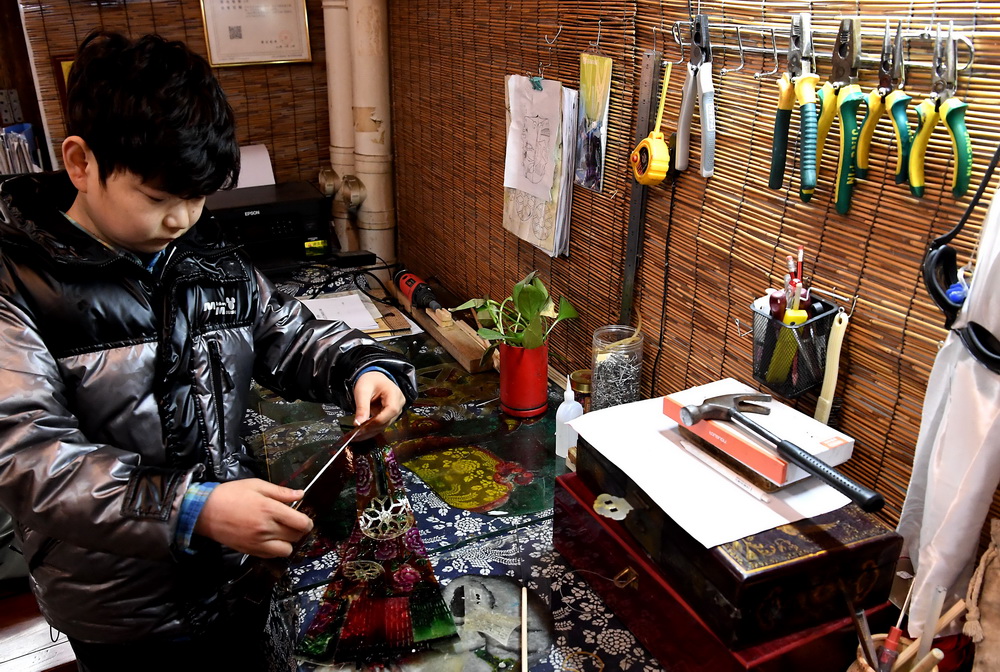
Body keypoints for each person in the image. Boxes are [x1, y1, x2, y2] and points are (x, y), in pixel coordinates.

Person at [0, 31, 417, 671]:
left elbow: (285, 331)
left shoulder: (205, 255)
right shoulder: (19, 284)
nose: (184, 218)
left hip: (237, 566)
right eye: (160, 199)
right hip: (122, 605)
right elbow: (31, 460)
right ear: (81, 163)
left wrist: (360, 364)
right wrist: (190, 508)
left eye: (198, 197)